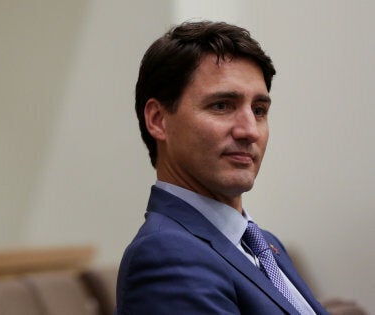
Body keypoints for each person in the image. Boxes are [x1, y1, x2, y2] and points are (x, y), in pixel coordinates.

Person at [116, 21, 328, 314]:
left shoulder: (264, 244)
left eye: (259, 110)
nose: (250, 131)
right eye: (222, 106)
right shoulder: (166, 255)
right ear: (157, 120)